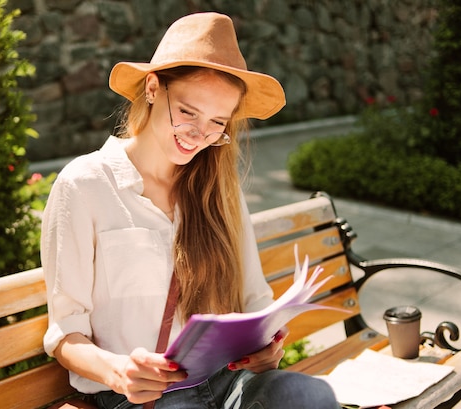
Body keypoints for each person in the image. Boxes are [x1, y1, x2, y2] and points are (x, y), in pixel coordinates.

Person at [41, 12, 339, 409]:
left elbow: (253, 297)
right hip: (143, 399)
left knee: (307, 395)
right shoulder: (86, 185)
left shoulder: (219, 188)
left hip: (228, 385)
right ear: (152, 88)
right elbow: (65, 332)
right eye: (187, 113)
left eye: (218, 122)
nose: (200, 136)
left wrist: (267, 350)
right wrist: (118, 370)